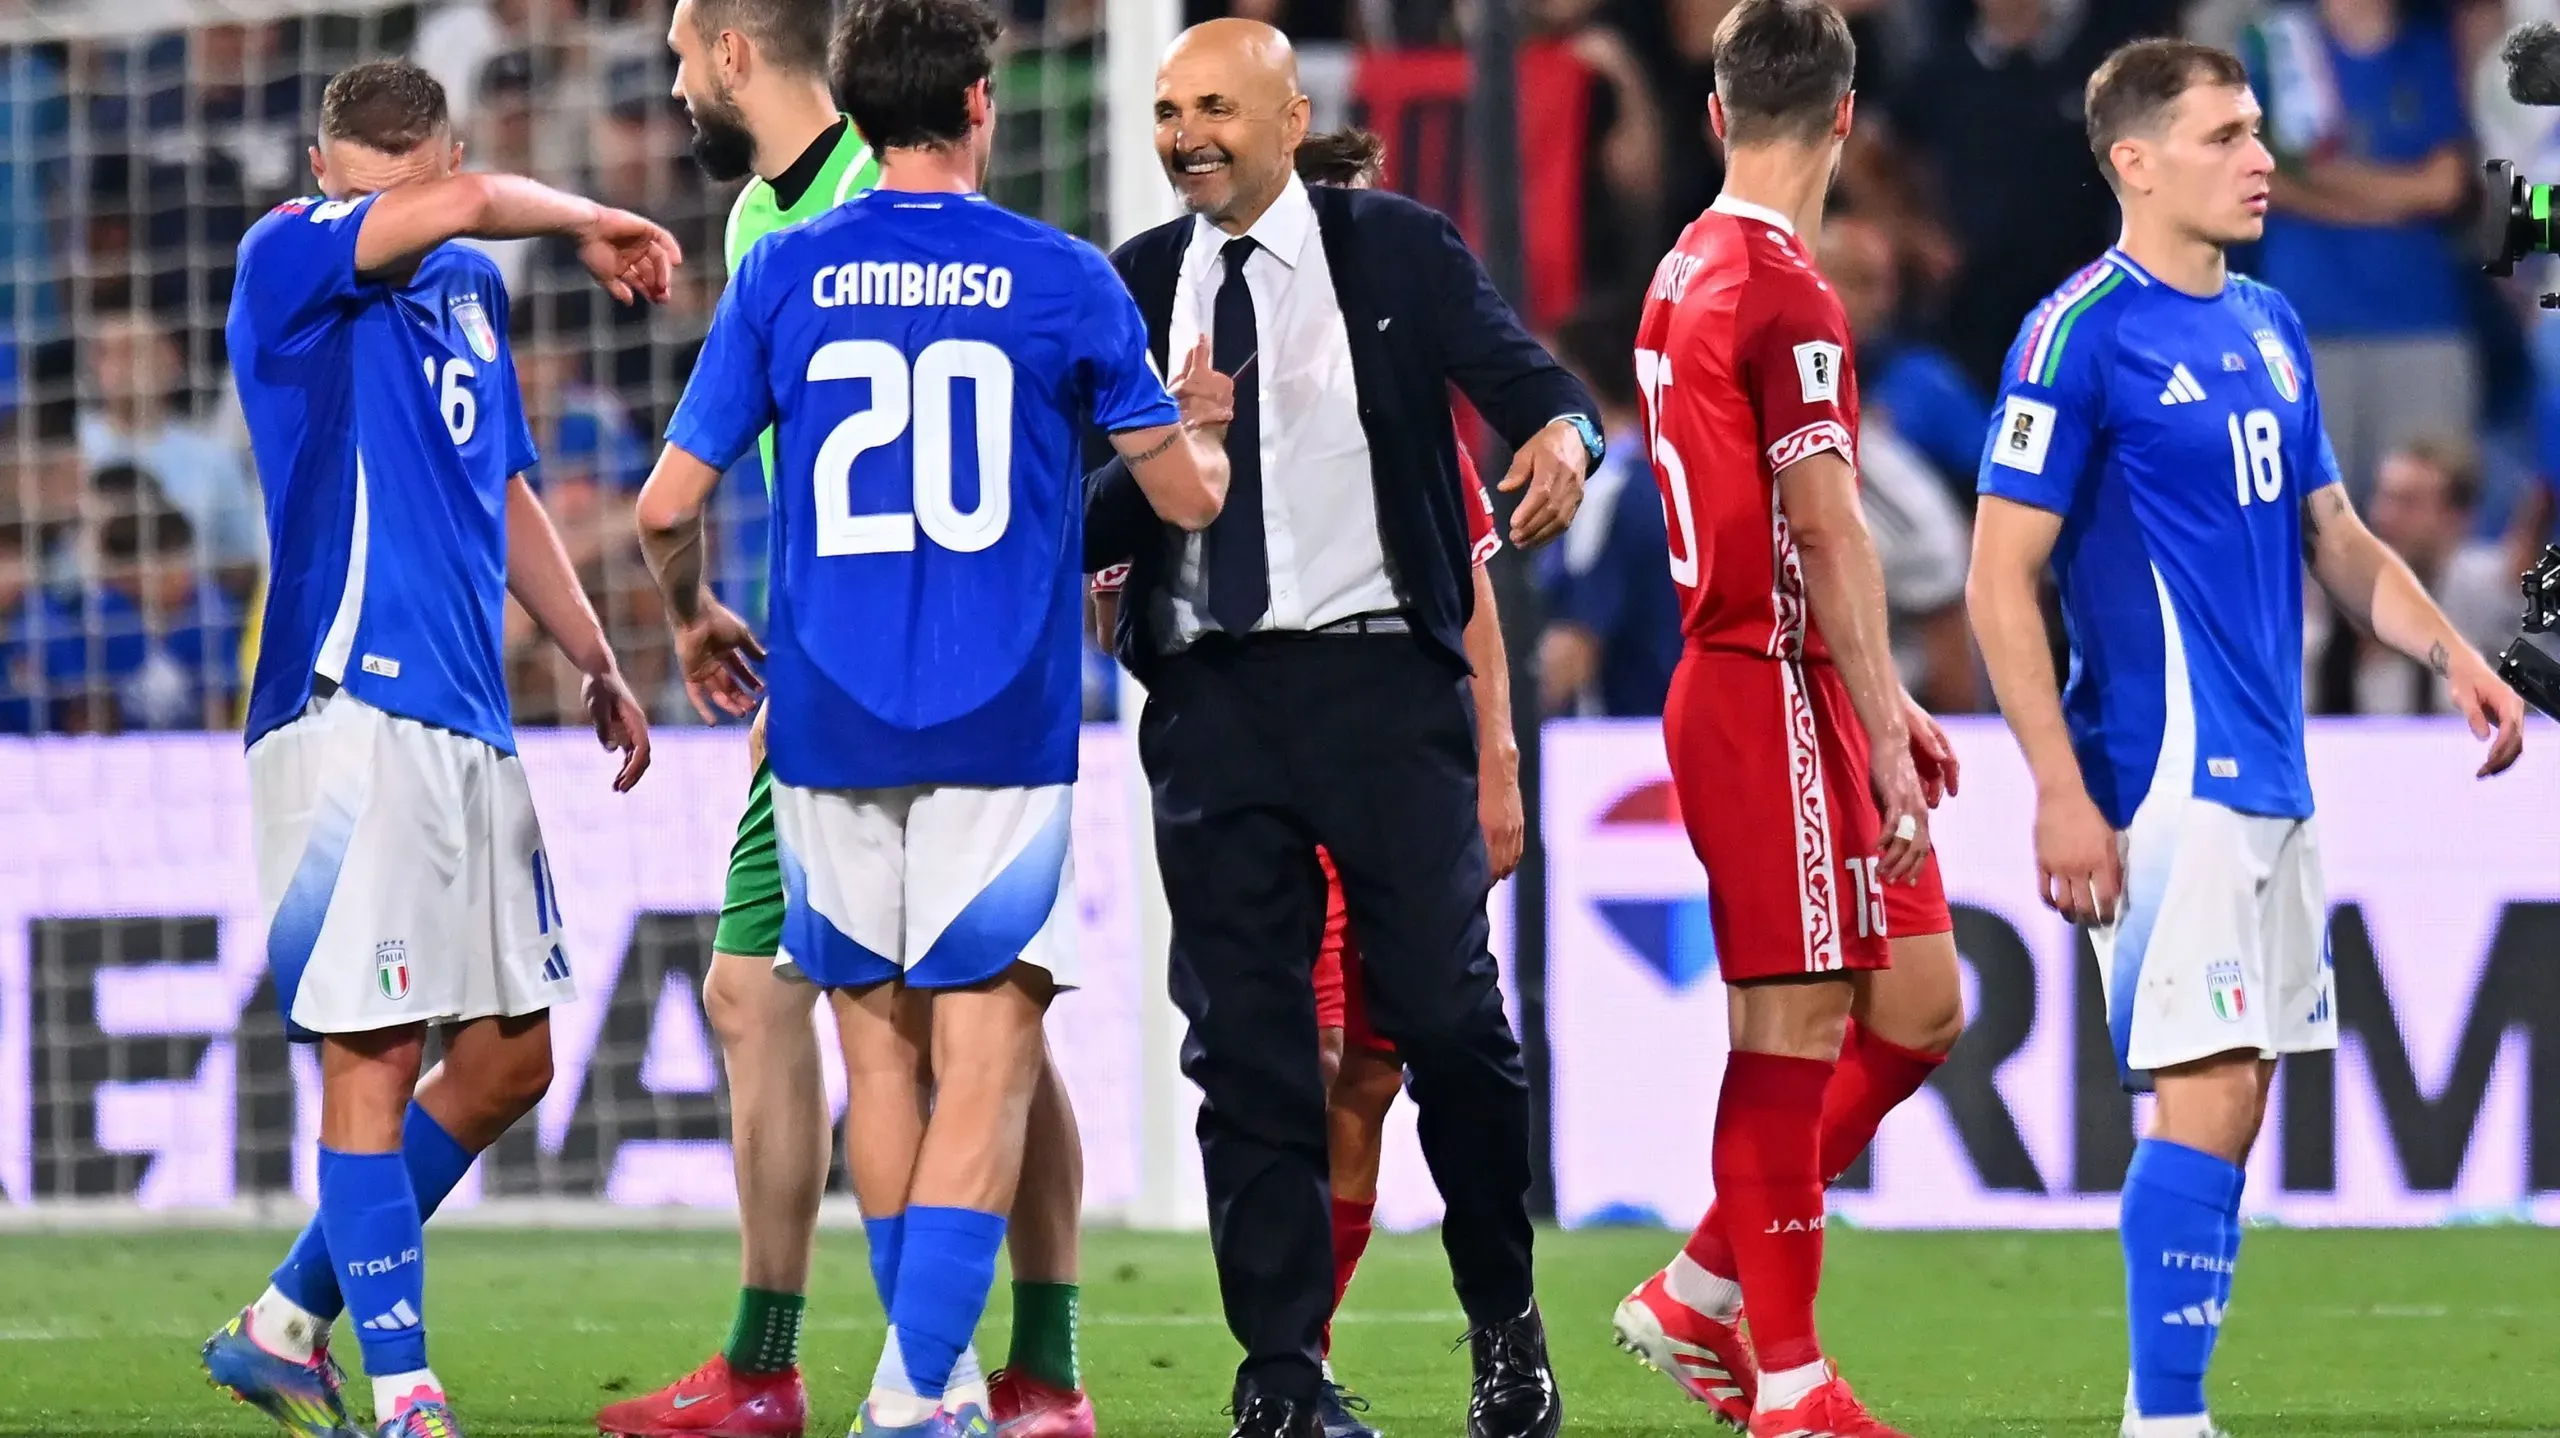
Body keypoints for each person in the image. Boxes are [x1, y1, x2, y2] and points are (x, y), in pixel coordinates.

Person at [633, 0, 1231, 1433]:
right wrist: (1196, 423)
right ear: (979, 106)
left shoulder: (780, 271)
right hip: (1000, 723)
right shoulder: (1066, 276)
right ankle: (917, 1388)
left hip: (827, 722)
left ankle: (942, 1379)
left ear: (855, 102)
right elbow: (1187, 502)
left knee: (878, 1048)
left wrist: (695, 609)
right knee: (992, 1044)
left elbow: (663, 508)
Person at [1965, 38, 2525, 1438]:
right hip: (2163, 776)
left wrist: (2452, 652)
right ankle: (2164, 1418)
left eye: (2260, 131)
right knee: (2207, 1091)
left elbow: (2332, 531)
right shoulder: (2078, 331)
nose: (2263, 158)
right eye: (2227, 135)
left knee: (2241, 1093)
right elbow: (1993, 577)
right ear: (2136, 162)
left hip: (2276, 769)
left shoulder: (2270, 322)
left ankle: (2174, 1409)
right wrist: (2053, 788)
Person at [1088, 19, 1594, 1438]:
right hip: (1210, 701)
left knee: (1444, 1019)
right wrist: (1162, 458)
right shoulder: (1130, 287)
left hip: (1383, 693)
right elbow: (1077, 525)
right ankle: (1283, 1372)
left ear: (1289, 114)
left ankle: (1503, 1316)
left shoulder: (1396, 250)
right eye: (1168, 108)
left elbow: (1535, 386)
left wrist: (1566, 442)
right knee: (1248, 1048)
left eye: (1214, 107)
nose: (1186, 131)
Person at [198, 59, 669, 1438]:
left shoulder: (469, 286)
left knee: (514, 1056)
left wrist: (591, 653)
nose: (397, 213)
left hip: (469, 708)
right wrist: (587, 216)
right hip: (348, 706)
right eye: (371, 190)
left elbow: (503, 482)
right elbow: (459, 200)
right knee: (376, 1048)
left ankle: (287, 1319)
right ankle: (407, 1393)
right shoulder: (286, 253)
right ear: (324, 165)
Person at [1603, 5, 1969, 1436]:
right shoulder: (1786, 293)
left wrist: (1877, 700)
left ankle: (1705, 1280)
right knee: (1793, 1023)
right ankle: (1791, 1379)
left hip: (1791, 676)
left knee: (1921, 1004)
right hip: (1763, 678)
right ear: (1843, 120)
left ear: (1712, 116)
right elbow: (1828, 525)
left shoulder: (1680, 264)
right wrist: (1883, 722)